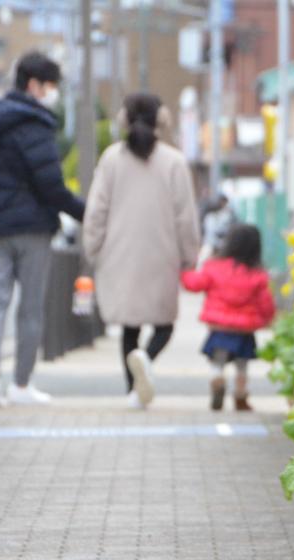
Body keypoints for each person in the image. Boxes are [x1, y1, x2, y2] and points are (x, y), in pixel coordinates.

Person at [0, 51, 85, 407]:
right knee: (30, 308)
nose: (53, 94)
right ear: (34, 85)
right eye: (50, 86)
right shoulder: (36, 124)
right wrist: (84, 212)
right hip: (33, 229)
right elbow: (52, 187)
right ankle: (20, 385)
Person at [82, 93, 201, 409]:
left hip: (118, 254)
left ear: (123, 119)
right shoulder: (174, 162)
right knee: (164, 323)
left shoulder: (111, 159)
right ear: (162, 119)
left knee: (129, 327)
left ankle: (133, 391)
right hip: (162, 255)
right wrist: (190, 254)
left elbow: (96, 209)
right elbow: (185, 215)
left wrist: (92, 247)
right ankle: (146, 362)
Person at [180, 224, 276, 411]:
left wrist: (184, 273)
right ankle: (241, 395)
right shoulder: (257, 274)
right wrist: (268, 318)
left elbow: (195, 284)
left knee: (218, 361)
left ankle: (217, 379)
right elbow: (266, 303)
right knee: (242, 365)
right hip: (244, 330)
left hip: (219, 328)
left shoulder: (214, 267)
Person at [197, 193, 238, 265]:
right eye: (221, 201)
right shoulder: (209, 215)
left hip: (224, 244)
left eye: (224, 202)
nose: (223, 204)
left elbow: (231, 229)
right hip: (210, 243)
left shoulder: (228, 214)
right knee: (202, 260)